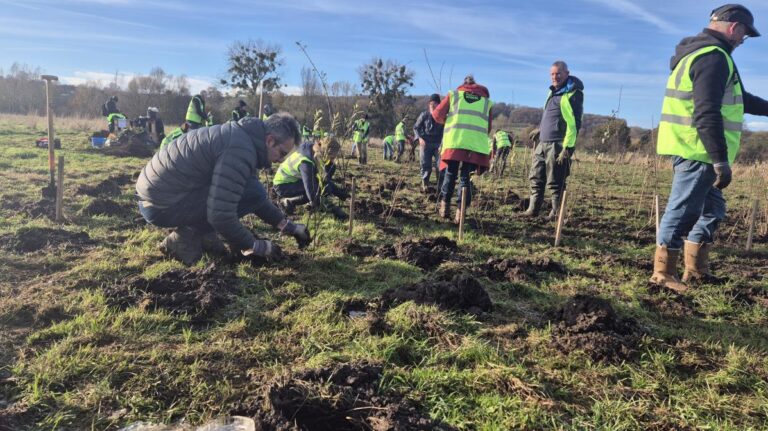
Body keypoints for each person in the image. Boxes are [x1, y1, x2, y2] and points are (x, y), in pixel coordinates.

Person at [651, 4, 768, 292]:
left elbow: (741, 99)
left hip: (698, 150)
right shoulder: (713, 57)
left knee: (712, 209)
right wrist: (720, 160)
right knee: (683, 211)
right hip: (697, 151)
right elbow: (706, 112)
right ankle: (662, 275)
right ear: (733, 27)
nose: (743, 39)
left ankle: (696, 269)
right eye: (744, 33)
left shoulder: (707, 55)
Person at [136, 113, 310, 265]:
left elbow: (256, 200)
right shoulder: (240, 149)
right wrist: (257, 246)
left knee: (249, 190)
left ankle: (204, 234)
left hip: (164, 195)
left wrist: (290, 227)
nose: (281, 160)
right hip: (161, 206)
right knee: (250, 191)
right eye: (281, 153)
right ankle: (184, 239)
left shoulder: (242, 138)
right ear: (270, 140)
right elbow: (220, 215)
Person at [523, 61, 584, 220]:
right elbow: (550, 115)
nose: (554, 77)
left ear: (566, 73)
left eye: (558, 73)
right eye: (552, 74)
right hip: (543, 142)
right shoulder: (552, 92)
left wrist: (567, 147)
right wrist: (540, 129)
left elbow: (575, 123)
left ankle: (557, 213)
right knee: (536, 176)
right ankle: (533, 209)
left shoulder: (573, 94)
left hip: (558, 143)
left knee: (555, 181)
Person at [432, 75, 492, 222]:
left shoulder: (454, 95)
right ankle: (460, 214)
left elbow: (437, 114)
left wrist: (449, 121)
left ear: (464, 85)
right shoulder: (487, 102)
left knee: (450, 173)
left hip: (455, 141)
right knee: (466, 178)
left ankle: (444, 208)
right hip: (475, 145)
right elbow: (488, 127)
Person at [273, 138, 348, 220]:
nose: (333, 159)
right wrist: (333, 209)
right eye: (332, 157)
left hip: (294, 181)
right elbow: (311, 190)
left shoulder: (313, 148)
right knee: (314, 191)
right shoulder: (306, 162)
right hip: (282, 185)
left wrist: (341, 194)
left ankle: (309, 203)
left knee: (319, 187)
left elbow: (324, 180)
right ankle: (287, 202)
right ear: (325, 153)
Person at [413, 93, 444, 191]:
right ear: (429, 105)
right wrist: (420, 139)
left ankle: (440, 187)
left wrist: (443, 143)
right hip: (425, 143)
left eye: (435, 104)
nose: (433, 106)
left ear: (439, 105)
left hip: (439, 144)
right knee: (425, 165)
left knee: (441, 166)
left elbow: (446, 131)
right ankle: (425, 184)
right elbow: (416, 127)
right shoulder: (424, 115)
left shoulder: (443, 117)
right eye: (431, 104)